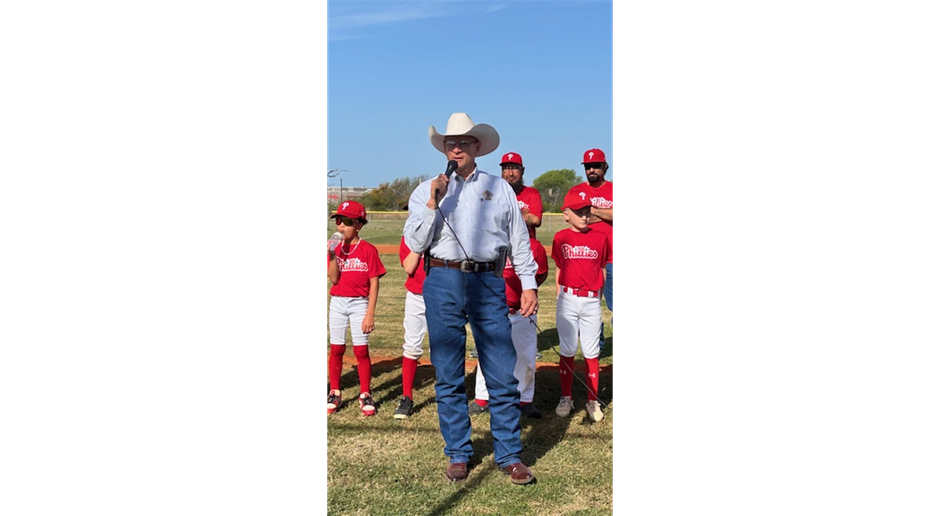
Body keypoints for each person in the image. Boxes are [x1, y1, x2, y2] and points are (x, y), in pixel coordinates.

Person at [404, 112, 538, 486]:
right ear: (444, 148)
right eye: (451, 143)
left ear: (477, 147)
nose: (457, 148)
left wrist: (528, 284)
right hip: (442, 279)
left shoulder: (500, 187)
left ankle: (509, 455)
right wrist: (433, 203)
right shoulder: (425, 190)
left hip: (488, 281)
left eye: (464, 142)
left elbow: (518, 240)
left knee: (501, 370)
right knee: (448, 373)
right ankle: (459, 453)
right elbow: (415, 242)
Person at [470, 235, 549, 418]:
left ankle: (524, 399)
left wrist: (527, 291)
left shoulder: (534, 246)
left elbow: (541, 274)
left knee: (525, 355)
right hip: (493, 308)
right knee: (487, 351)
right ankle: (482, 397)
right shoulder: (490, 239)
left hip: (523, 310)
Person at [552, 190, 611, 422]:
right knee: (567, 349)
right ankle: (566, 397)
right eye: (578, 212)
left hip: (591, 300)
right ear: (566, 214)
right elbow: (559, 268)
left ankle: (592, 399)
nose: (584, 216)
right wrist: (559, 297)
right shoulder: (560, 237)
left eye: (586, 211)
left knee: (591, 351)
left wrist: (598, 297)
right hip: (568, 298)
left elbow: (602, 268)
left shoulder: (600, 237)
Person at [327, 200, 387, 416]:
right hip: (338, 302)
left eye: (347, 221)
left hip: (360, 302)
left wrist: (370, 313)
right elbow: (334, 279)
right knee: (336, 348)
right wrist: (332, 255)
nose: (341, 226)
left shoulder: (368, 250)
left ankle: (365, 393)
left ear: (359, 225)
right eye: (338, 221)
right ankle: (334, 391)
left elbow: (374, 283)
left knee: (361, 350)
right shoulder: (335, 249)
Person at [567, 148, 614, 332]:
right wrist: (606, 215)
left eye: (596, 165)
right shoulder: (576, 191)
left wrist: (592, 210)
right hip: (585, 258)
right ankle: (595, 345)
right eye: (588, 166)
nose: (591, 170)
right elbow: (574, 218)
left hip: (611, 258)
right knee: (588, 306)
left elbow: (583, 217)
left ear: (605, 166)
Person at [393, 236, 427, 419]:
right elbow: (409, 267)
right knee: (412, 345)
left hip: (443, 294)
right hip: (416, 295)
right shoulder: (410, 236)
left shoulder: (445, 231)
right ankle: (407, 397)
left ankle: (450, 395)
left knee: (447, 344)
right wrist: (421, 238)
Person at [500, 152, 543, 239]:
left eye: (515, 168)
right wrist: (522, 213)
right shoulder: (495, 193)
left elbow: (536, 220)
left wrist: (504, 217)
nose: (510, 173)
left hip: (527, 243)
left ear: (522, 171)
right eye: (506, 168)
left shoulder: (532, 193)